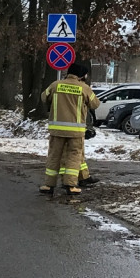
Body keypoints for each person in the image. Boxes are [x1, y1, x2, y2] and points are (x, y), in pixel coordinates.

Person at [39, 62, 100, 198]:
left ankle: (49, 185)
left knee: (54, 156)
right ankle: (71, 185)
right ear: (81, 75)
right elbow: (95, 104)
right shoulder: (84, 88)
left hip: (57, 130)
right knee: (74, 156)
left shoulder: (56, 85)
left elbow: (44, 97)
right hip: (75, 131)